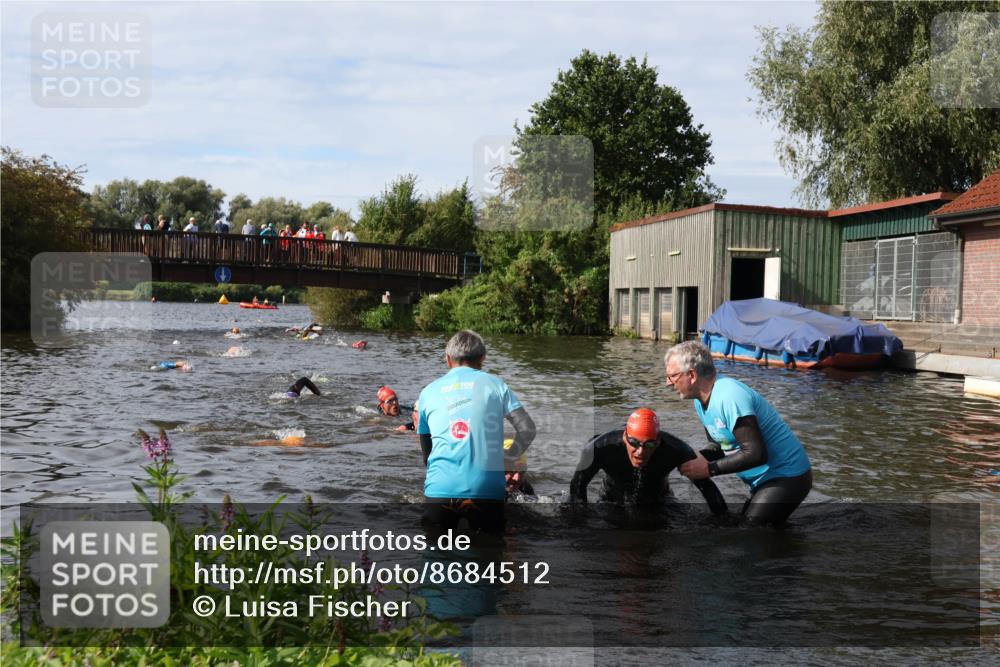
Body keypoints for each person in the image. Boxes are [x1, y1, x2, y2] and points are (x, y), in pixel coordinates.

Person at [665, 341, 812, 525]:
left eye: (672, 376)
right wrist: (696, 459)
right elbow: (720, 445)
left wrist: (708, 469)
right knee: (752, 530)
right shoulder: (700, 400)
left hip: (787, 476)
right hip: (763, 479)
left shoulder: (729, 396)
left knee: (749, 535)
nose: (668, 383)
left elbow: (756, 453)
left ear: (692, 375)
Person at [417, 330, 536, 534]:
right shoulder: (497, 385)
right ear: (482, 358)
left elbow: (427, 455)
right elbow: (527, 429)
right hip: (487, 490)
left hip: (441, 489)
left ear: (447, 359)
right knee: (489, 556)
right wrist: (508, 459)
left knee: (436, 557)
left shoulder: (428, 392)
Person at [569, 408, 727, 515]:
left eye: (649, 445)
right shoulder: (600, 448)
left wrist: (723, 521)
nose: (640, 452)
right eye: (634, 443)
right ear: (625, 437)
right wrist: (580, 520)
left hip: (660, 501)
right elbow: (578, 485)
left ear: (659, 442)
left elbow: (707, 488)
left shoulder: (675, 450)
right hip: (611, 501)